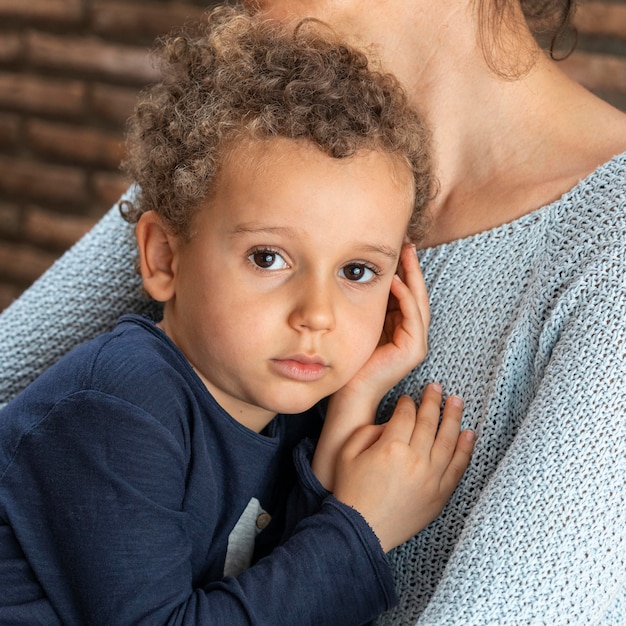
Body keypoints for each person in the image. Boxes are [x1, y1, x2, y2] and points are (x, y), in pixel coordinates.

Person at [0, 0, 624, 623]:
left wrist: (349, 415)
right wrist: (361, 530)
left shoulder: (603, 255)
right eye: (268, 257)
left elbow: (262, 570)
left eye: (358, 272)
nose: (318, 316)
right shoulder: (236, 146)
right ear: (163, 255)